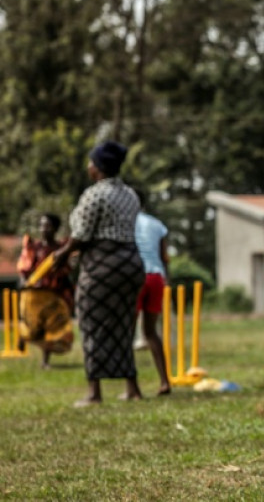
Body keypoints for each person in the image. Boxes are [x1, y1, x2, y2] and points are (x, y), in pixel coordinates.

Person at [52, 141, 146, 407]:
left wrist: (61, 254)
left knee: (91, 321)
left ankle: (94, 392)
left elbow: (81, 235)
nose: (88, 166)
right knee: (124, 324)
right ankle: (133, 388)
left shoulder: (95, 194)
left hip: (103, 265)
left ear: (99, 168)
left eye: (91, 162)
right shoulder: (130, 194)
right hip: (131, 263)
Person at [16, 213, 75, 368]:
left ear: (55, 229)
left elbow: (65, 272)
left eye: (47, 226)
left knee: (53, 328)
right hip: (33, 295)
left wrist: (70, 292)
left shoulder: (60, 249)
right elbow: (24, 268)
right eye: (41, 225)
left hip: (52, 294)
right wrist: (23, 282)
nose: (43, 229)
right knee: (35, 329)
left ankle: (45, 362)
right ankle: (24, 336)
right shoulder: (33, 248)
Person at [133, 191, 172, 394]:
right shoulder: (157, 224)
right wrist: (168, 281)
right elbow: (164, 257)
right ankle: (165, 381)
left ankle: (133, 388)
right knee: (151, 332)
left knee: (128, 332)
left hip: (136, 277)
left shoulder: (125, 223)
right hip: (157, 277)